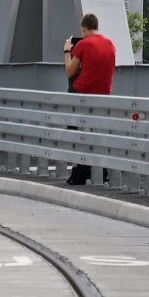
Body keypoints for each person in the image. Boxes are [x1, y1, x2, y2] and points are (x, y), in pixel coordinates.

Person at [62, 13, 117, 185]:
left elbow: (70, 71)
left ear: (84, 29)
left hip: (82, 94)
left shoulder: (83, 44)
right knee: (95, 134)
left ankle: (80, 169)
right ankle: (101, 171)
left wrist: (67, 51)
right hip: (103, 95)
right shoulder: (110, 44)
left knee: (78, 132)